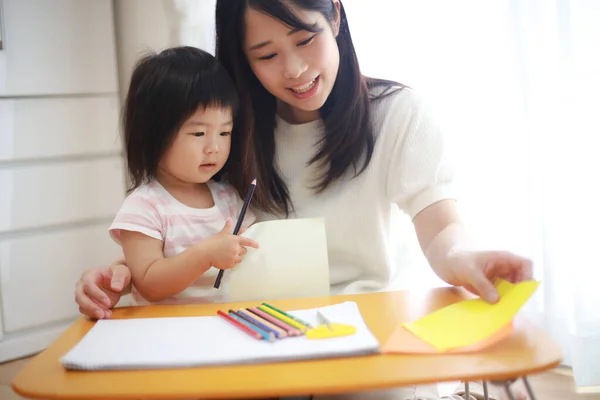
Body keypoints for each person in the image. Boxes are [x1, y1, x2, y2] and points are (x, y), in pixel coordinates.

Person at [75, 1, 531, 399]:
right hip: (255, 337)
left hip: (364, 336)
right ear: (243, 59)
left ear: (333, 14)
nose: (293, 70)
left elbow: (441, 226)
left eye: (304, 39)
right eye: (267, 55)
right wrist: (122, 270)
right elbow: (192, 224)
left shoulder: (397, 113)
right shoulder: (233, 130)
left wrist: (466, 256)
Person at [105, 46, 259, 307]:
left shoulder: (228, 196)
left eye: (224, 133)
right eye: (198, 134)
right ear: (153, 134)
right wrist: (205, 255)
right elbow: (149, 283)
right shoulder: (144, 207)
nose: (214, 147)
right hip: (168, 333)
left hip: (226, 325)